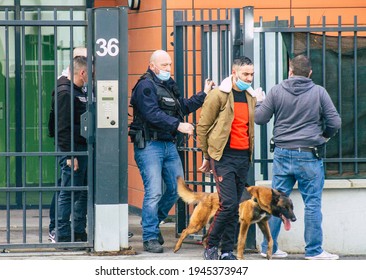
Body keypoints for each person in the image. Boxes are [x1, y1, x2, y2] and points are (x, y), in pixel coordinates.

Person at [255, 54, 341, 260]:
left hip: (283, 153)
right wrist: (324, 137)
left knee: (276, 202)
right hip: (309, 154)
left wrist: (259, 102)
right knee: (312, 203)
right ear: (310, 73)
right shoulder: (319, 92)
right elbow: (335, 122)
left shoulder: (276, 91)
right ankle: (314, 251)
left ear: (290, 71)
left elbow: (260, 119)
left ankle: (270, 248)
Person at [129, 49, 214, 253]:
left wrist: (204, 95)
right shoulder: (145, 86)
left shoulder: (167, 85)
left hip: (168, 145)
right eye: (164, 65)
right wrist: (178, 125)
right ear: (152, 66)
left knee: (177, 190)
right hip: (150, 145)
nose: (168, 69)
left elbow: (180, 107)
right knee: (154, 191)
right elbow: (152, 114)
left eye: (169, 65)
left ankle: (152, 222)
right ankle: (149, 237)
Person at [197, 56, 259, 260]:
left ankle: (226, 251)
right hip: (223, 157)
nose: (249, 78)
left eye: (251, 74)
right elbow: (203, 126)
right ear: (234, 73)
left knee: (235, 206)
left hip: (243, 157)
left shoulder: (250, 96)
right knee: (229, 204)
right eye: (245, 74)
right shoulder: (219, 95)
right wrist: (207, 155)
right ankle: (210, 244)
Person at [48, 47, 88, 243]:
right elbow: (62, 128)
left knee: (80, 191)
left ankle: (79, 231)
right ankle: (62, 233)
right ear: (82, 72)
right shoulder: (65, 92)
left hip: (82, 148)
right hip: (72, 149)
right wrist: (70, 154)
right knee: (68, 191)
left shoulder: (79, 90)